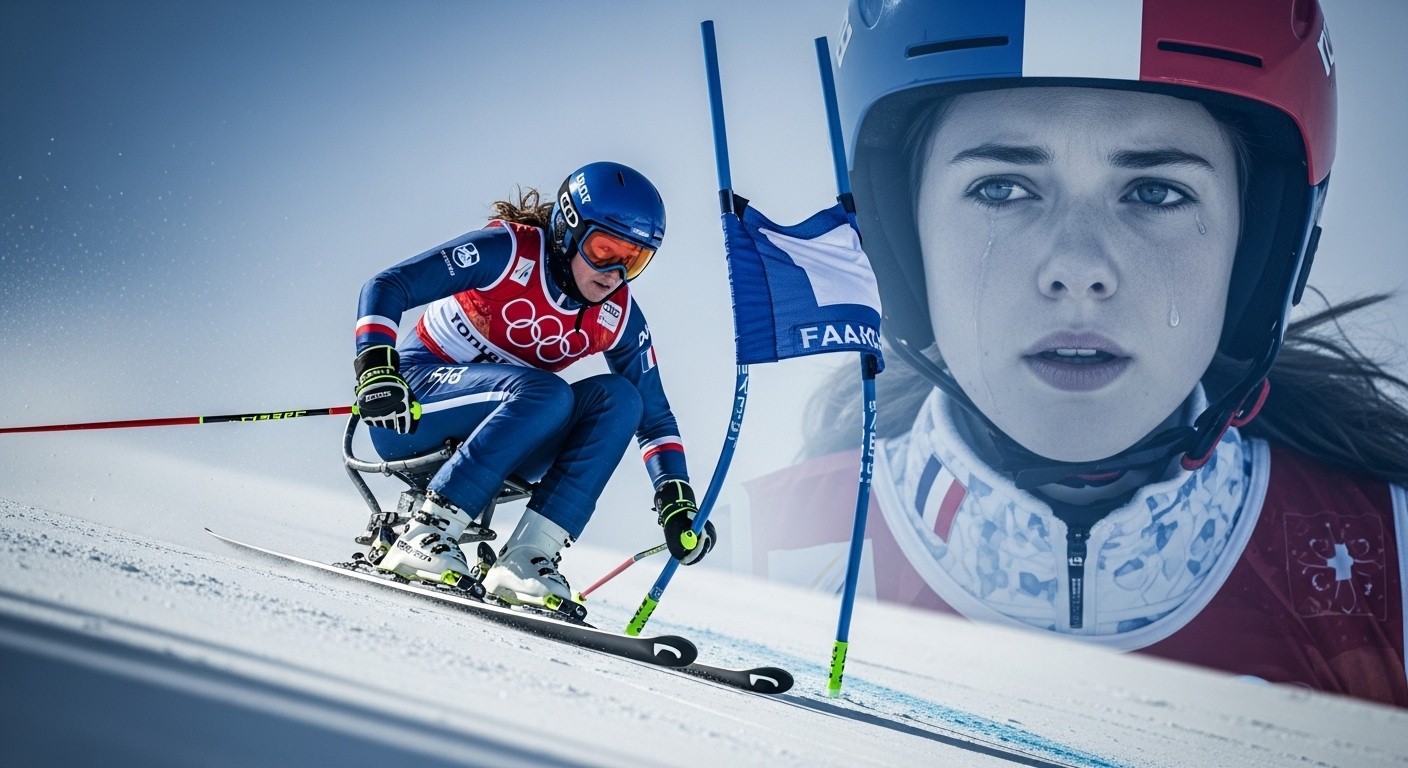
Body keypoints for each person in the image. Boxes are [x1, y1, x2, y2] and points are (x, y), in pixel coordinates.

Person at [736, 0, 1408, 706]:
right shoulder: (744, 564)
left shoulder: (1390, 571)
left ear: (1259, 253)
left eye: (1156, 191)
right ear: (899, 236)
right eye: (1001, 189)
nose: (1079, 269)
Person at [351, 161, 715, 611]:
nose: (614, 273)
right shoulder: (508, 252)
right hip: (410, 408)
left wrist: (675, 496)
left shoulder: (617, 314)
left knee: (622, 400)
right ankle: (426, 532)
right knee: (547, 393)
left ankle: (528, 556)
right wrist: (375, 367)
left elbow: (655, 418)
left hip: (507, 430)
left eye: (633, 260)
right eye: (604, 250)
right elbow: (388, 285)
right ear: (567, 229)